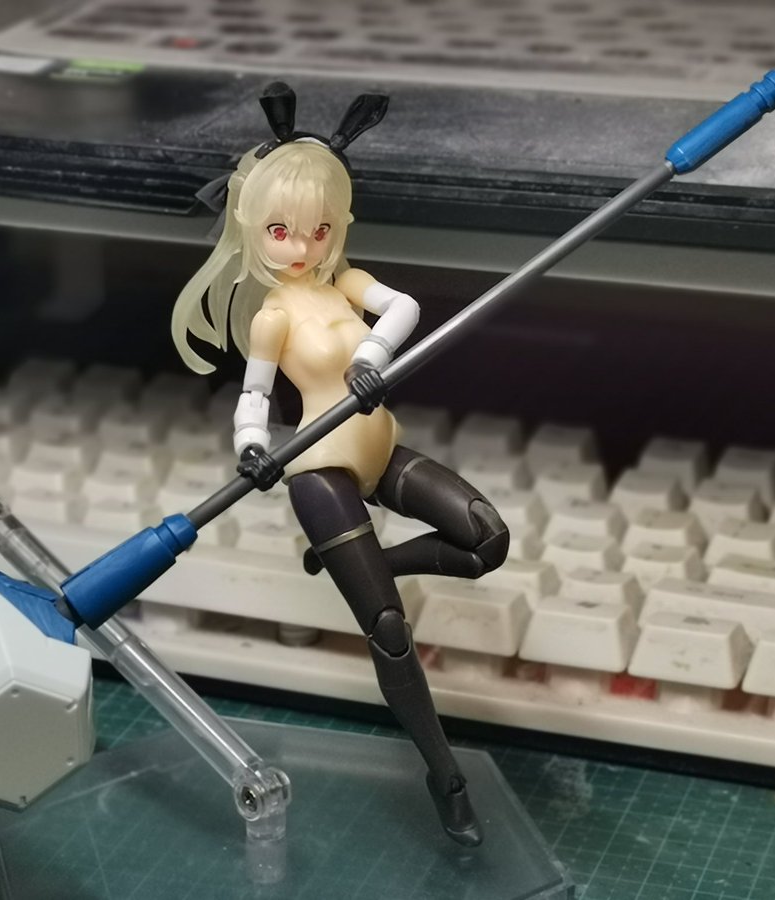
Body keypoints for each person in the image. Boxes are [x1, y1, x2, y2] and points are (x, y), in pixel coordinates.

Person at [171, 83, 508, 847]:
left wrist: (369, 356)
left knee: (487, 538)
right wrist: (252, 450)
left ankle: (362, 561)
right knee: (388, 628)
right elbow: (253, 399)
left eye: (319, 228)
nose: (303, 245)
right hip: (321, 472)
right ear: (254, 229)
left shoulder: (345, 283)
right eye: (283, 230)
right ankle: (446, 778)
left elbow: (405, 308)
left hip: (380, 448)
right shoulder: (273, 316)